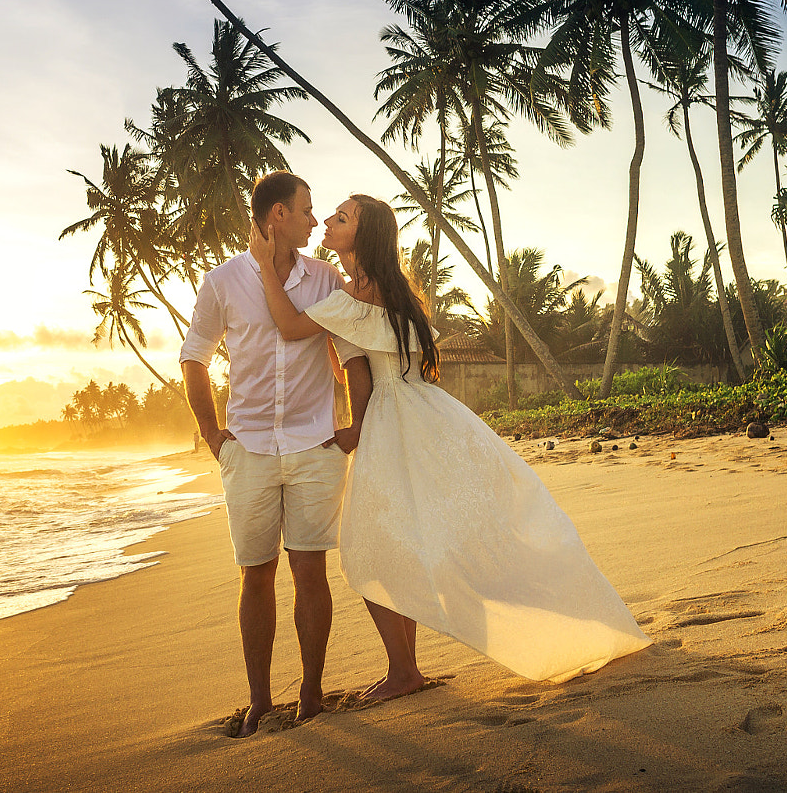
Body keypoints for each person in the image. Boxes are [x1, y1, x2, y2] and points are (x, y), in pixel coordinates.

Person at [248, 193, 651, 700]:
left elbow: (288, 327)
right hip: (431, 416)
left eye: (341, 217)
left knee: (372, 549)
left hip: (394, 424)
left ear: (364, 234)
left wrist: (265, 266)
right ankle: (410, 667)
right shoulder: (396, 291)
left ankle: (404, 672)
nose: (328, 219)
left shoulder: (357, 295)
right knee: (437, 541)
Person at [179, 171, 374, 736]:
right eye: (308, 210)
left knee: (311, 569)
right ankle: (261, 698)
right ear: (278, 217)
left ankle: (310, 695)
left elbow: (353, 354)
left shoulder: (326, 279)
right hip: (250, 449)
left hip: (316, 445)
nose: (316, 221)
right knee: (255, 574)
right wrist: (213, 435)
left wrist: (354, 427)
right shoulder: (222, 282)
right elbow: (195, 355)